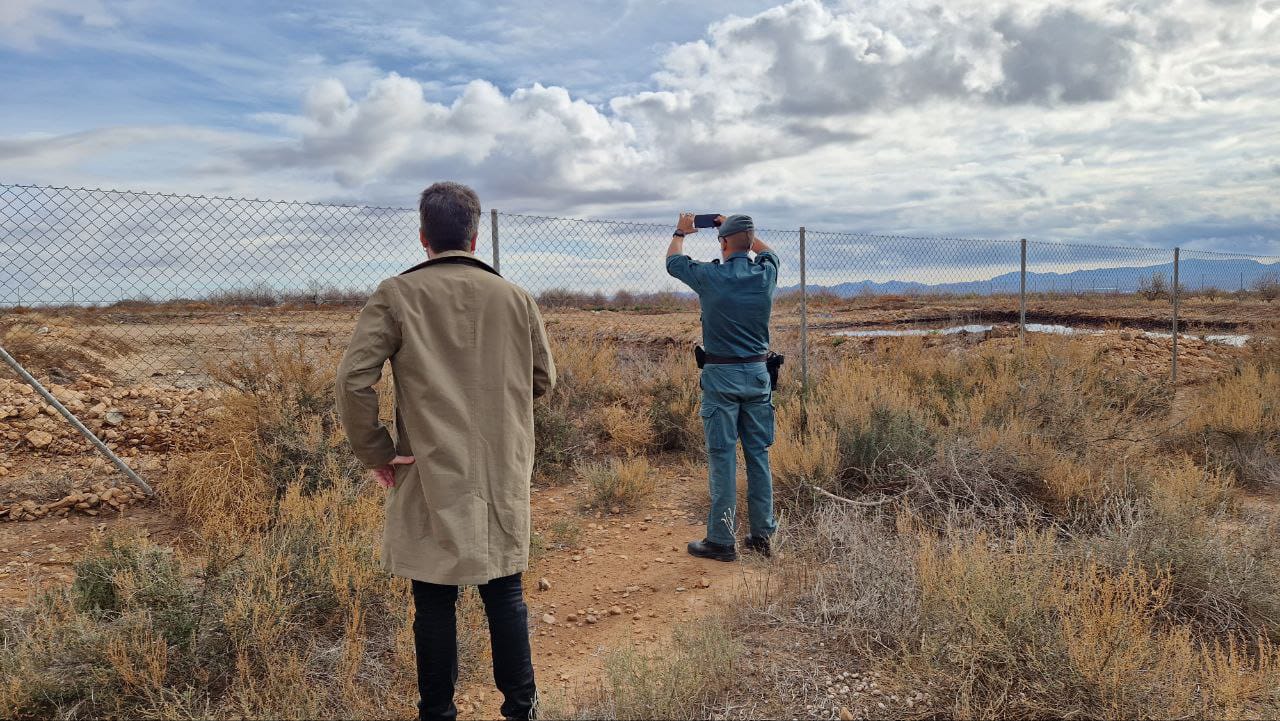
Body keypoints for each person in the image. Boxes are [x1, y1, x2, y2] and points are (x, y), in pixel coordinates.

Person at [336, 181, 556, 721]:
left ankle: (437, 713)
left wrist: (378, 453)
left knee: (433, 599)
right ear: (476, 237)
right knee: (505, 592)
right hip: (500, 466)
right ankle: (520, 711)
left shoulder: (396, 294)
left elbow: (351, 382)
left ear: (423, 236)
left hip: (429, 467)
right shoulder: (515, 297)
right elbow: (543, 379)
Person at [665, 212, 778, 562]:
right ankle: (762, 536)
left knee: (723, 457)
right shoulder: (766, 274)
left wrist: (681, 231)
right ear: (750, 242)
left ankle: (721, 540)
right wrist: (739, 228)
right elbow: (769, 252)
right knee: (758, 455)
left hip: (721, 378)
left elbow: (673, 262)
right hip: (759, 376)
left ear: (724, 244)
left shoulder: (711, 276)